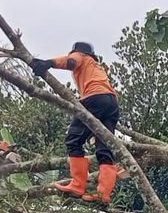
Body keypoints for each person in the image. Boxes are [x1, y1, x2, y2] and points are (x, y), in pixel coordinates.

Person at [30, 42, 120, 203]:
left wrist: (48, 63)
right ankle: (103, 194)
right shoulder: (97, 67)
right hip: (111, 102)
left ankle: (78, 185)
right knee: (104, 149)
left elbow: (71, 62)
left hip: (94, 98)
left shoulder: (81, 57)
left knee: (73, 140)